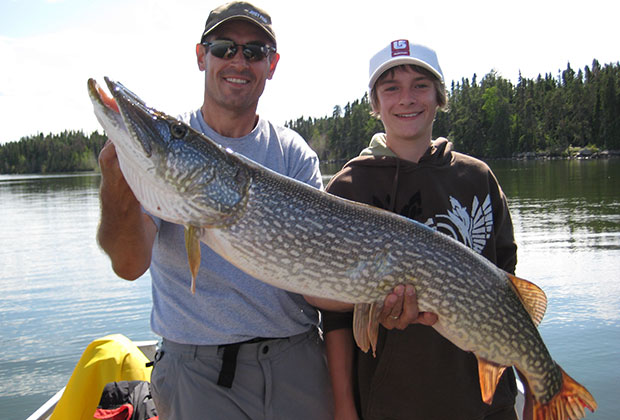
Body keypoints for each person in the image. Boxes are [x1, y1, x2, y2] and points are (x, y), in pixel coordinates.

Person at [96, 2, 335, 419]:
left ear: (271, 64)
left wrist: (377, 294)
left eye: (254, 51)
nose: (238, 61)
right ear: (201, 56)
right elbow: (129, 264)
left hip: (294, 364)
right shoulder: (167, 161)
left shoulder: (293, 154)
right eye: (224, 48)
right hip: (197, 374)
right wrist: (117, 185)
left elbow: (319, 282)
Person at [321, 39, 527, 420]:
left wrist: (532, 390)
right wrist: (344, 406)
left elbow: (508, 286)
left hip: (485, 406)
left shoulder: (477, 177)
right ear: (375, 104)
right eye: (391, 88)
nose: (407, 99)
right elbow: (333, 316)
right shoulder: (349, 188)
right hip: (391, 406)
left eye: (420, 85)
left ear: (439, 97)